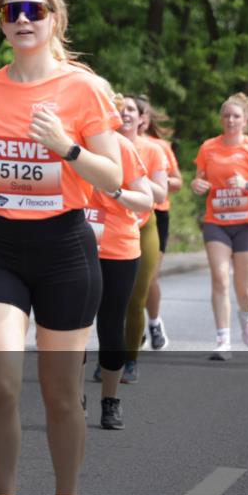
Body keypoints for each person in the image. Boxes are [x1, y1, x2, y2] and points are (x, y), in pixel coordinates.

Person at [0, 0, 123, 495]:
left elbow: (114, 178)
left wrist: (67, 148)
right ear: (2, 22)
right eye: (12, 12)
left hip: (65, 250)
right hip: (2, 246)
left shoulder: (85, 87)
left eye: (34, 11)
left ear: (55, 18)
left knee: (59, 393)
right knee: (0, 382)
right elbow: (9, 168)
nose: (23, 20)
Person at [85, 84, 154, 430]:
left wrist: (115, 191)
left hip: (117, 248)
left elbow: (146, 200)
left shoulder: (122, 147)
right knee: (68, 328)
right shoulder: (66, 146)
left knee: (111, 327)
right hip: (75, 246)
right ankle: (73, 397)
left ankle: (110, 401)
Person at [191, 93, 248, 361]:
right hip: (217, 223)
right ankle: (223, 339)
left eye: (236, 116)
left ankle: (247, 316)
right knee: (220, 278)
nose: (231, 120)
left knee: (244, 288)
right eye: (227, 116)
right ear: (221, 119)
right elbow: (199, 180)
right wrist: (197, 185)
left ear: (245, 121)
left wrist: (247, 185)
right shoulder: (208, 148)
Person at [119, 96, 168, 383]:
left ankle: (130, 361)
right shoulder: (102, 144)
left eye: (130, 110)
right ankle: (109, 357)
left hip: (143, 227)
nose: (124, 114)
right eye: (120, 109)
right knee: (106, 300)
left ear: (141, 118)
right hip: (109, 229)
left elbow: (161, 194)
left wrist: (132, 173)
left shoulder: (152, 150)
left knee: (136, 298)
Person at [135, 97, 183, 350]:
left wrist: (152, 181)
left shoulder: (159, 147)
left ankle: (154, 322)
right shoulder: (111, 142)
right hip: (124, 213)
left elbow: (176, 182)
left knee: (149, 276)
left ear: (146, 118)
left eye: (138, 113)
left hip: (155, 214)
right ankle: (133, 327)